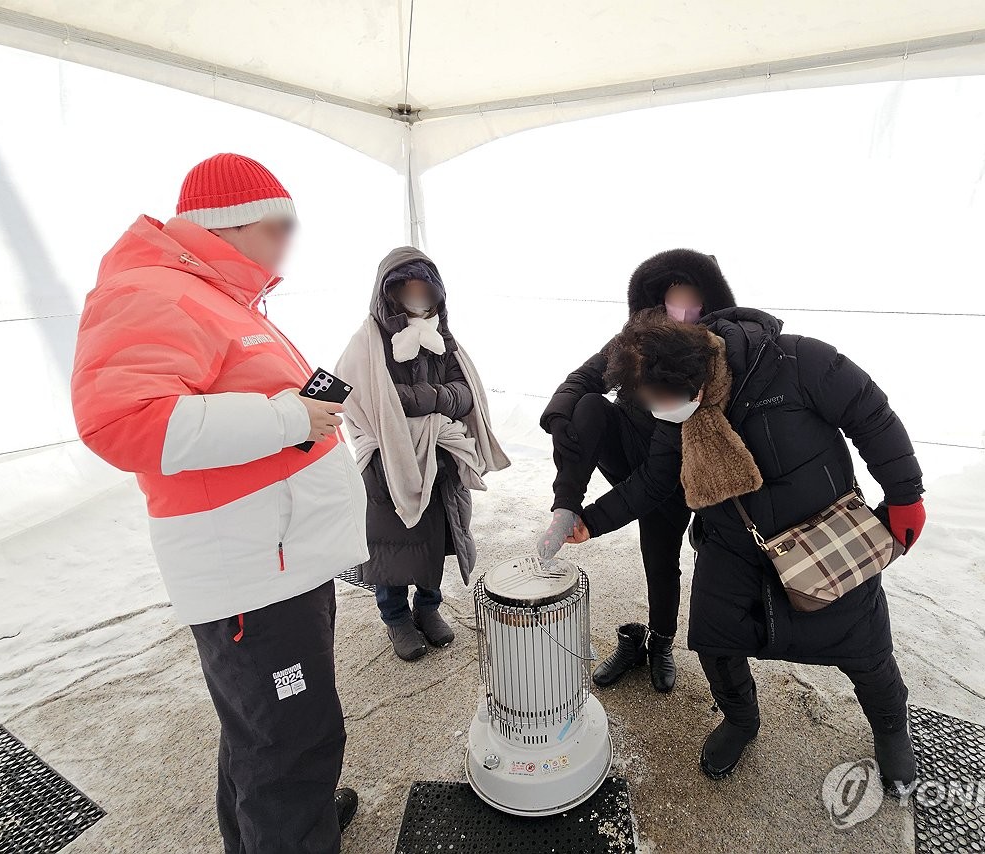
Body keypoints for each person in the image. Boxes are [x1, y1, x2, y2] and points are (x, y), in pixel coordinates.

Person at [71, 153, 367, 853]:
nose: (290, 241)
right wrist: (291, 419)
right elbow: (120, 420)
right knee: (292, 736)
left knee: (262, 728)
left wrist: (300, 417)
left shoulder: (217, 296)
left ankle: (283, 824)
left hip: (278, 560)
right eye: (281, 225)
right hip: (251, 573)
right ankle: (292, 826)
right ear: (231, 225)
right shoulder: (155, 292)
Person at [559, 307, 927, 786]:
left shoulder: (796, 361)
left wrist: (904, 496)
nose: (657, 410)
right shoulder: (680, 415)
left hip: (821, 536)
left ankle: (891, 731)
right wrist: (590, 519)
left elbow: (872, 416)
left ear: (689, 376)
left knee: (864, 647)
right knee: (714, 641)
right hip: (733, 543)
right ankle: (740, 719)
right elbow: (654, 481)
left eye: (659, 397)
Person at [536, 249, 736, 694]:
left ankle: (659, 643)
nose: (681, 309)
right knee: (586, 407)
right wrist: (559, 416)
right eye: (672, 299)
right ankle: (564, 509)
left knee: (660, 561)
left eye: (692, 299)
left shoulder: (714, 352)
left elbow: (667, 470)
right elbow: (583, 377)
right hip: (628, 449)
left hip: (675, 474)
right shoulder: (637, 336)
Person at [336, 247, 509, 662]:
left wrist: (420, 404)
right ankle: (395, 618)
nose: (416, 296)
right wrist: (429, 404)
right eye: (406, 288)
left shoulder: (443, 338)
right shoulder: (366, 342)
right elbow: (366, 399)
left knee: (436, 536)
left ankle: (427, 609)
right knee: (391, 544)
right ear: (388, 293)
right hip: (386, 459)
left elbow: (464, 393)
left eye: (423, 289)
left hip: (440, 456)